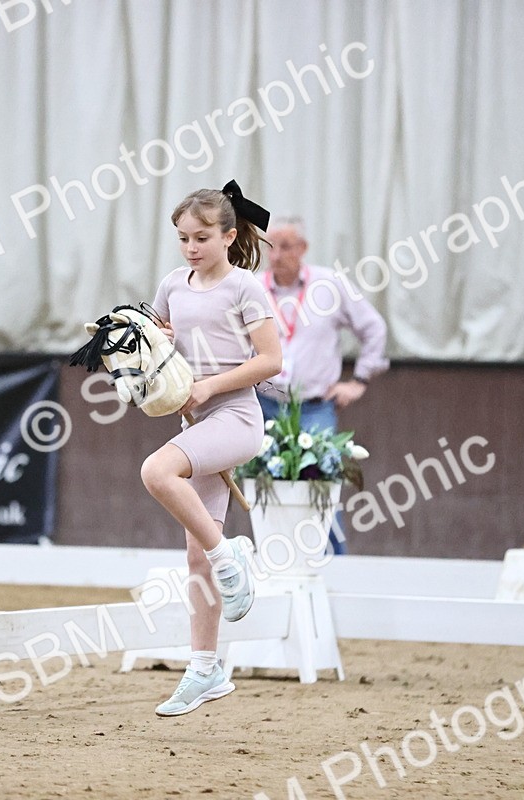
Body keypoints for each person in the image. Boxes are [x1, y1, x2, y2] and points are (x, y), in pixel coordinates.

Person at [142, 181, 281, 717]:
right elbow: (159, 344)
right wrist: (163, 356)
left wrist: (208, 387)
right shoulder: (173, 284)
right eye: (182, 239)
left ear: (228, 236)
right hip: (198, 419)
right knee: (194, 555)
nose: (191, 248)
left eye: (201, 237)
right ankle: (206, 669)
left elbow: (271, 362)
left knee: (156, 472)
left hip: (236, 416)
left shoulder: (246, 288)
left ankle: (233, 556)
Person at [257, 215, 389, 554]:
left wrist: (358, 381)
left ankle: (335, 563)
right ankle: (274, 557)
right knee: (264, 482)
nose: (276, 255)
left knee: (323, 483)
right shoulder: (254, 289)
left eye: (285, 246)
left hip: (315, 405)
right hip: (268, 400)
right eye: (271, 246)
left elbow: (373, 328)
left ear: (303, 249)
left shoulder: (328, 286)